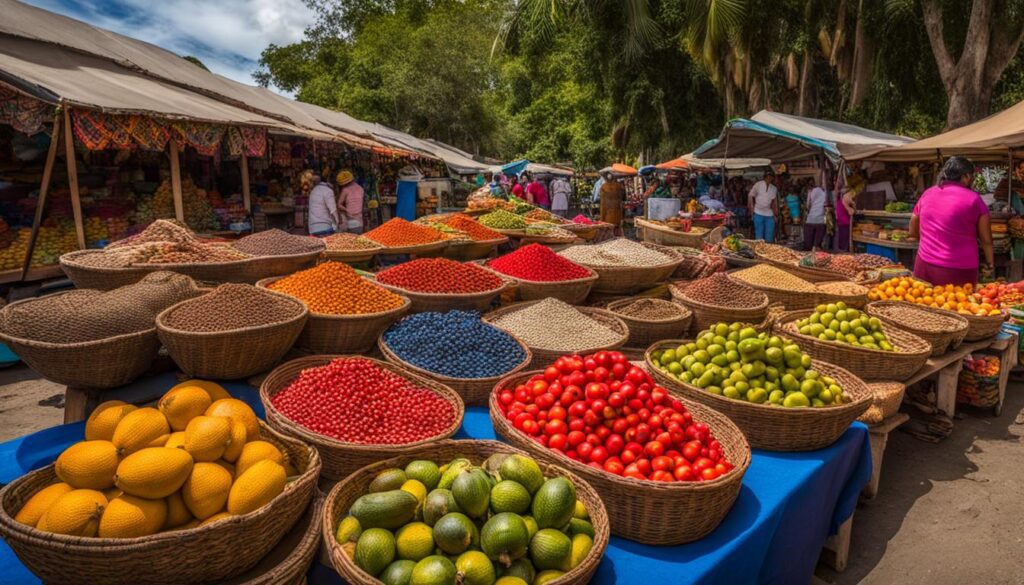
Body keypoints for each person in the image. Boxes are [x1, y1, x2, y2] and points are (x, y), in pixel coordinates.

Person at [909, 156, 994, 286]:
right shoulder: (974, 199)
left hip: (925, 265)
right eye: (972, 176)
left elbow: (913, 228)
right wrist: (990, 264)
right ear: (966, 176)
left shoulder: (928, 193)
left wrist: (930, 243)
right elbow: (986, 239)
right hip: (960, 269)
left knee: (922, 304)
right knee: (957, 305)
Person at [748, 172, 779, 242]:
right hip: (758, 212)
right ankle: (759, 251)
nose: (769, 178)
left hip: (769, 213)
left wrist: (775, 215)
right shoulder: (758, 184)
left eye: (771, 177)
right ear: (765, 177)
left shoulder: (774, 188)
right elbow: (750, 196)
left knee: (770, 236)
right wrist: (751, 210)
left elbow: (774, 203)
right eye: (767, 176)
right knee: (759, 236)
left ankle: (768, 251)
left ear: (773, 178)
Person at [834, 179, 859, 252]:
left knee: (846, 244)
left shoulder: (842, 202)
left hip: (845, 225)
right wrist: (852, 205)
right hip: (844, 225)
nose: (852, 197)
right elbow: (851, 212)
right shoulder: (842, 202)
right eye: (850, 195)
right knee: (845, 245)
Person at [803, 180, 828, 250]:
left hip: (810, 220)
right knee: (817, 245)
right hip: (821, 221)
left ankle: (808, 259)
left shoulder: (810, 192)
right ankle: (817, 259)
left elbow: (808, 206)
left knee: (808, 245)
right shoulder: (824, 192)